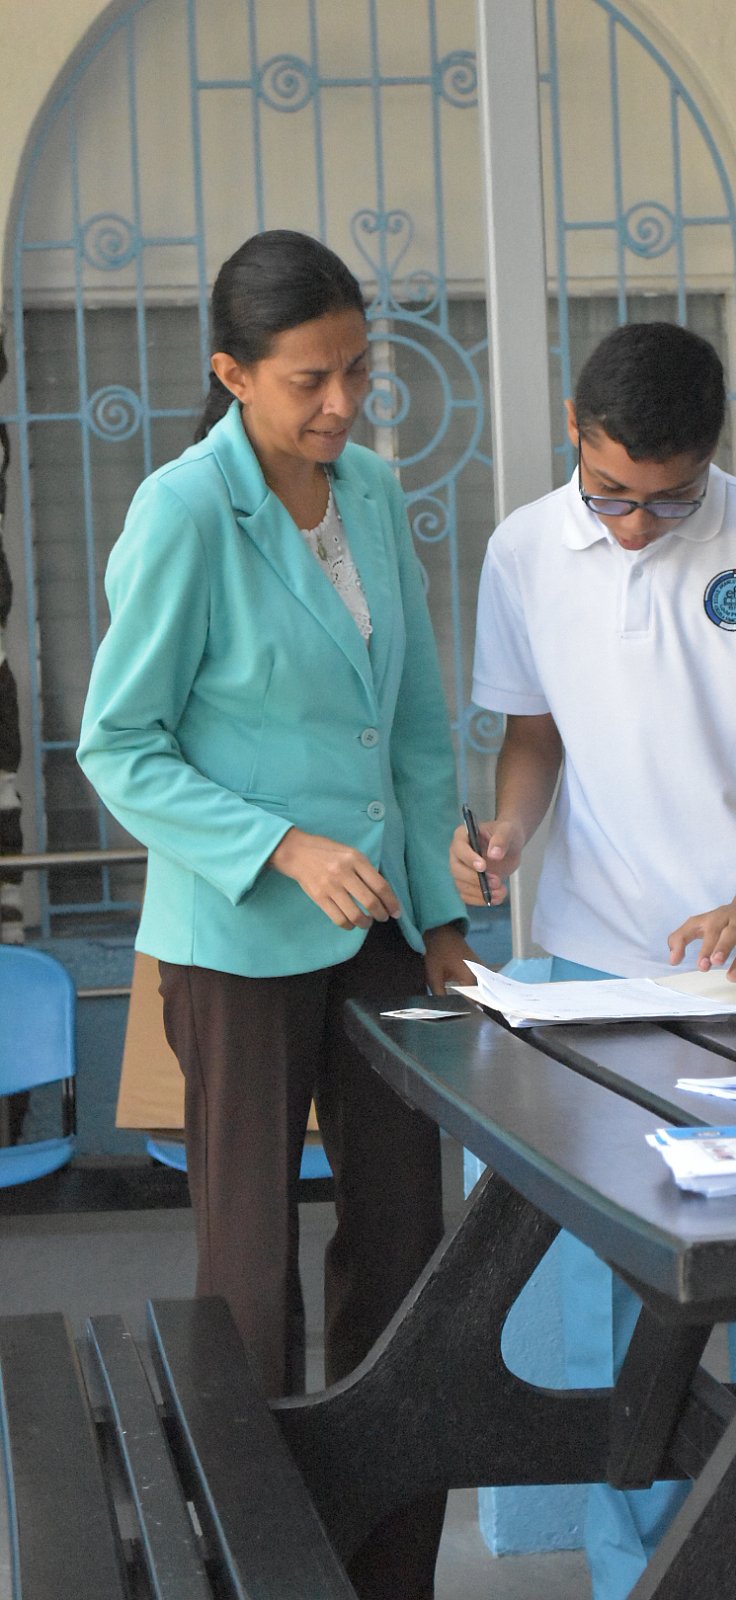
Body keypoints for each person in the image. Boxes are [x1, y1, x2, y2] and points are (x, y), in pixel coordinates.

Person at [78, 228, 475, 1600]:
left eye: (358, 369)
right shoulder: (184, 511)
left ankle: (388, 1573)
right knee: (250, 1281)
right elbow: (119, 747)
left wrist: (441, 921)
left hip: (384, 934)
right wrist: (280, 847)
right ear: (233, 373)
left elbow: (409, 723)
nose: (343, 402)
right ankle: (255, 1566)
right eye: (311, 378)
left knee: (407, 1256)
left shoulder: (371, 492)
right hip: (238, 940)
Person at [450, 320, 736, 1600]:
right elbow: (532, 738)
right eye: (611, 493)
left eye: (667, 500)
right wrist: (508, 833)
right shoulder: (523, 550)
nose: (634, 526)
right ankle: (639, 1573)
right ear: (574, 430)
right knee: (620, 1278)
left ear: (711, 456)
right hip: (593, 965)